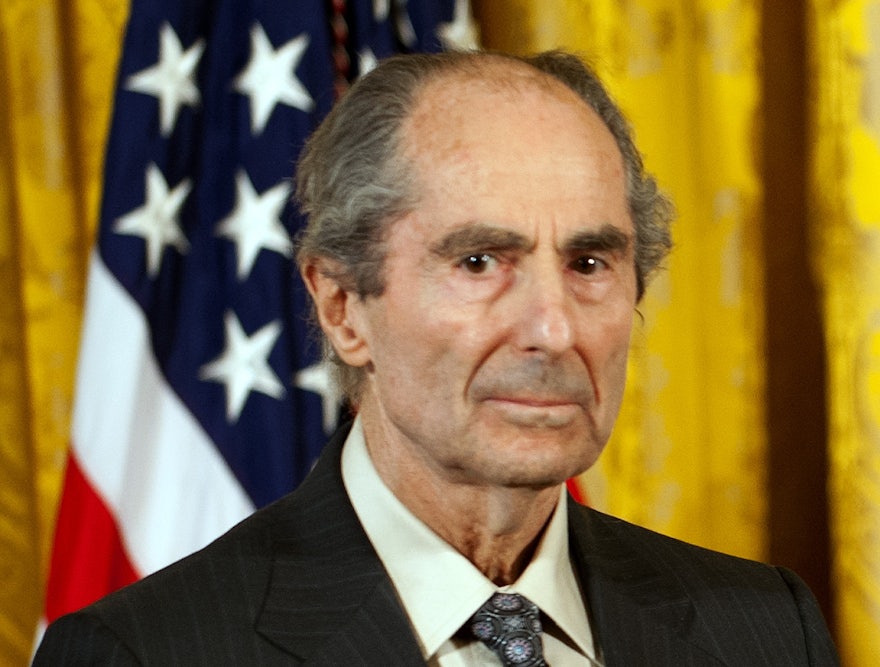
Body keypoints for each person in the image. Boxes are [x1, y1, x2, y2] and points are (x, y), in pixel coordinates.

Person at [35, 50, 838, 665]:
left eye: (589, 264)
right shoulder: (149, 653)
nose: (553, 330)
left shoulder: (765, 628)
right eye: (481, 262)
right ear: (343, 306)